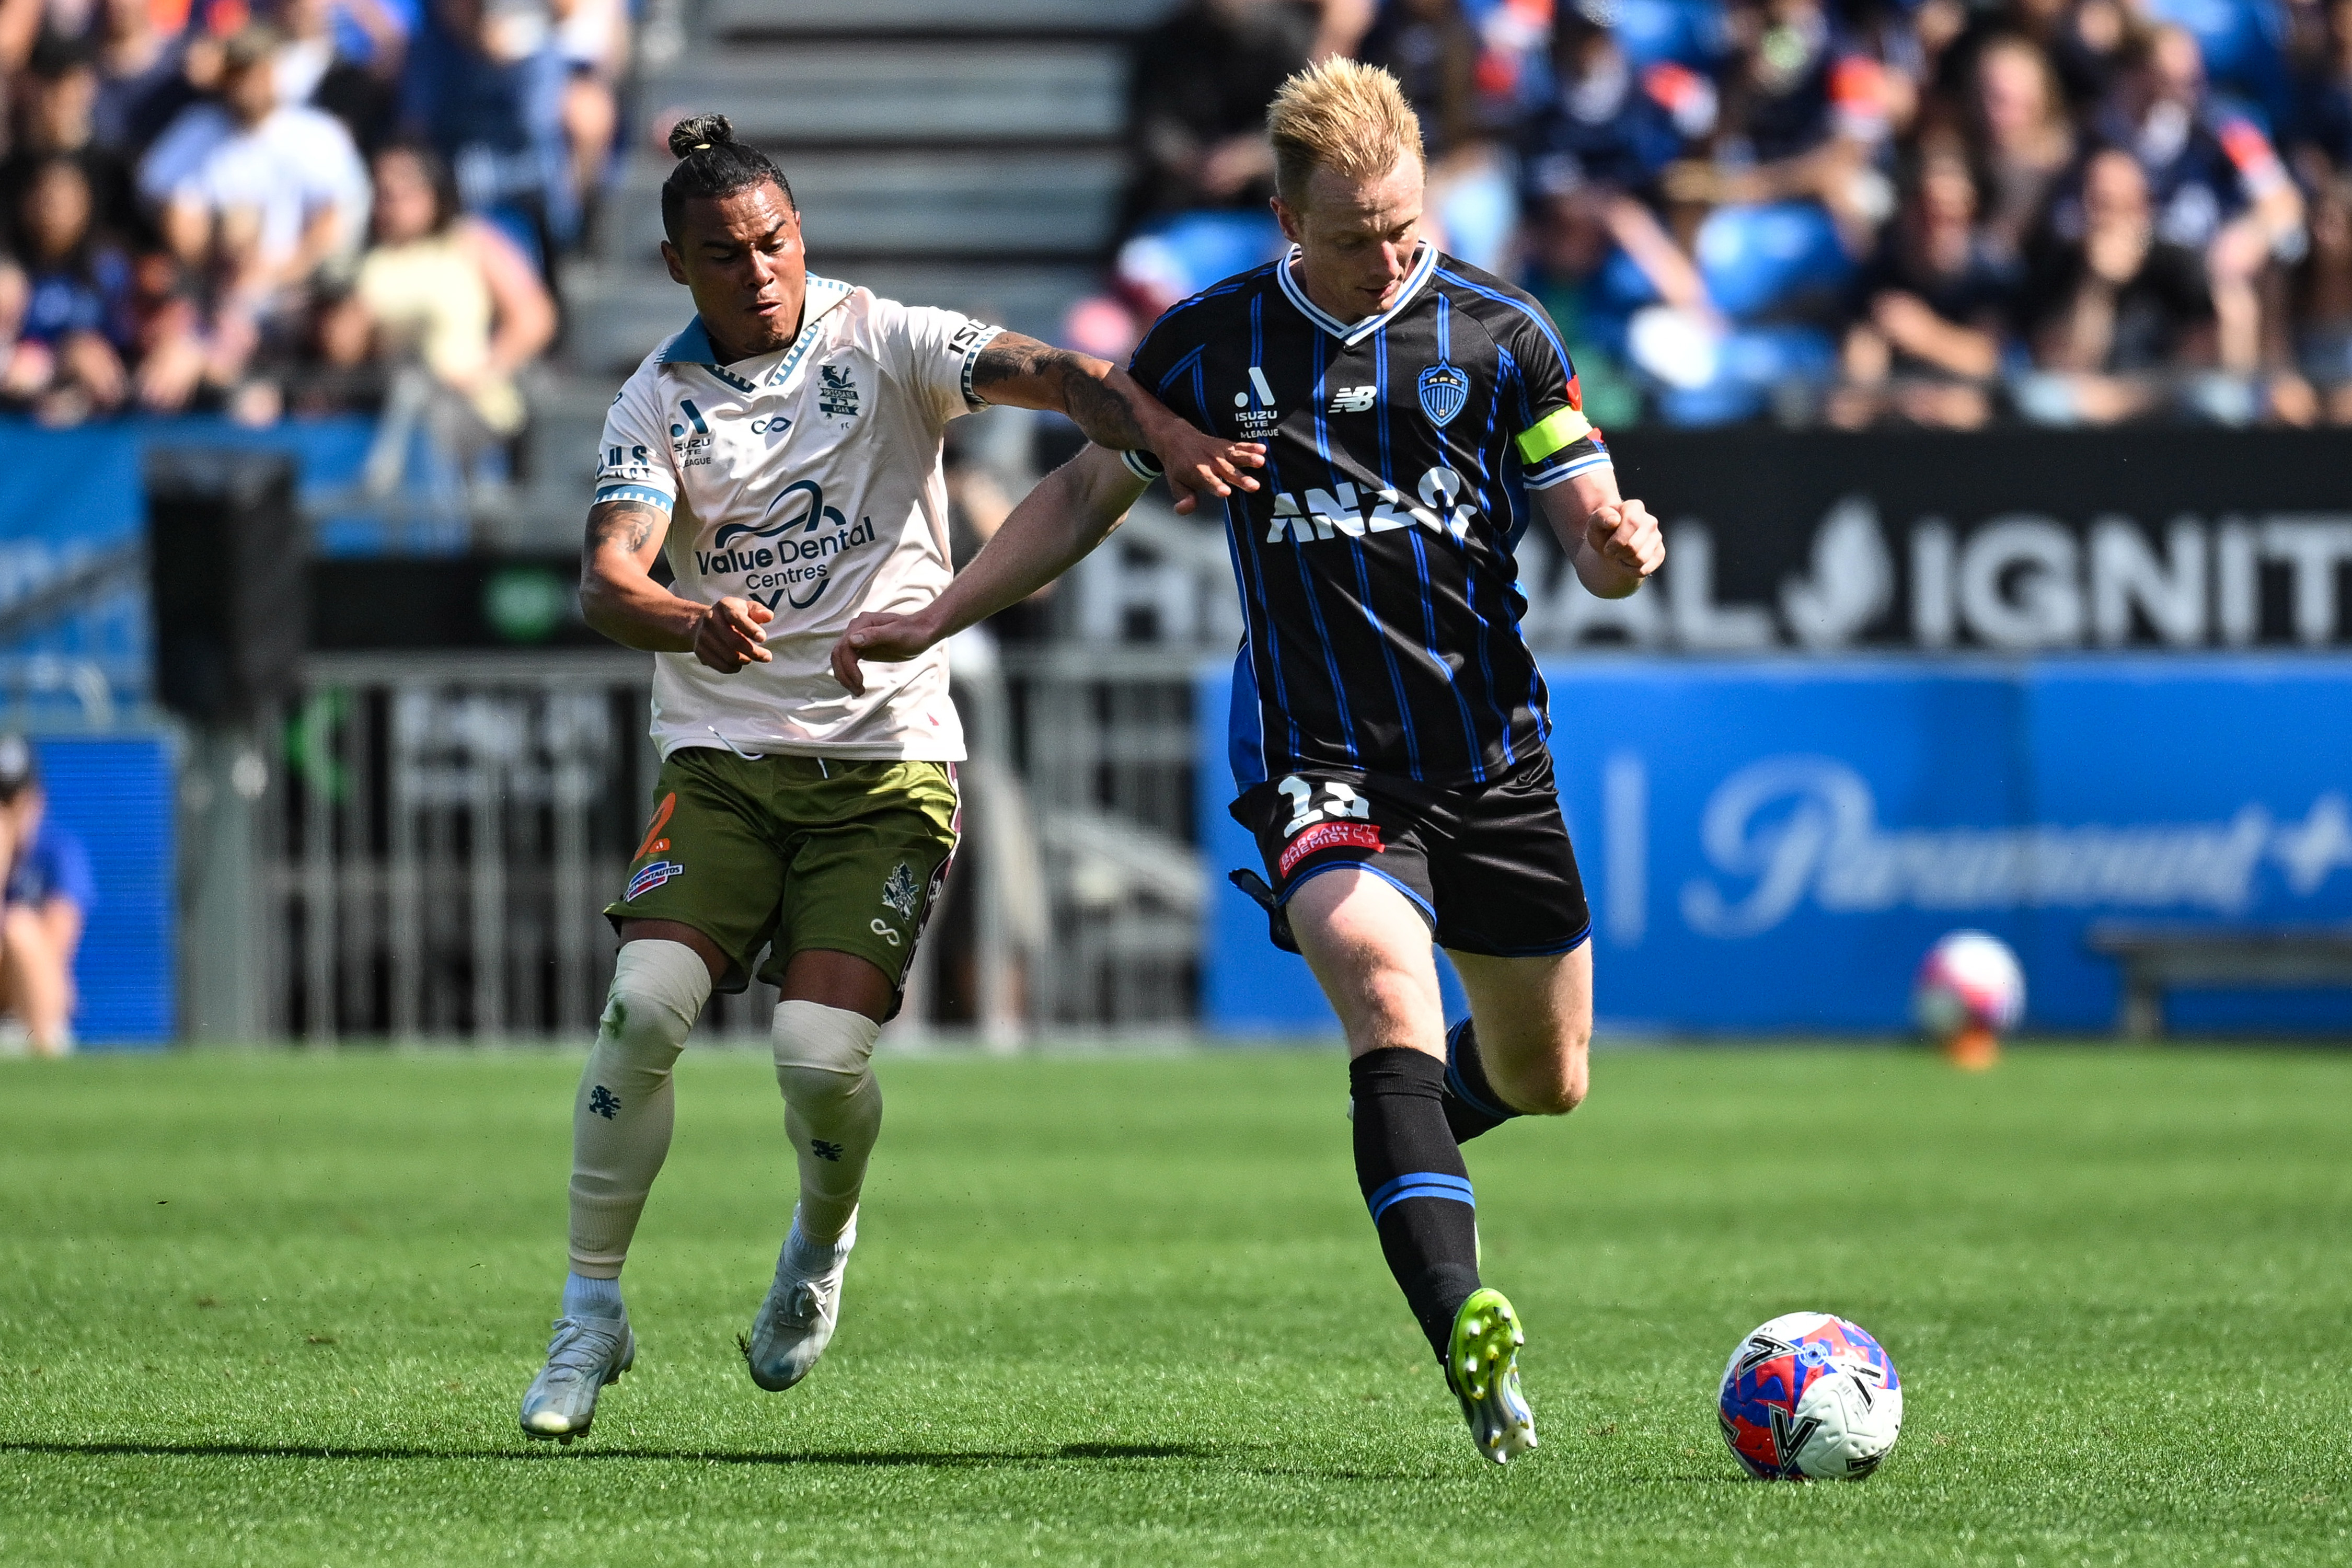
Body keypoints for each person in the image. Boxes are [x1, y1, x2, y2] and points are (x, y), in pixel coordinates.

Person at [832, 59, 1664, 1465]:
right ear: (1285, 220)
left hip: (1492, 754)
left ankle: (1407, 1142)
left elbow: (1583, 508)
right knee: (1384, 987)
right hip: (1316, 753)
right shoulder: (1210, 348)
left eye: (1409, 225)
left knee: (1544, 1076)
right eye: (1355, 236)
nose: (1391, 255)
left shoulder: (1502, 336)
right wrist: (937, 611)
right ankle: (1469, 1336)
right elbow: (1082, 491)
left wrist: (1615, 551)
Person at [514, 113, 1262, 1444]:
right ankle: (589, 1312)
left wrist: (1144, 424)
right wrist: (692, 621)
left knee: (814, 1057)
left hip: (887, 766)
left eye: (774, 241)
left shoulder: (884, 339)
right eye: (723, 253)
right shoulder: (654, 402)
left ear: (801, 234)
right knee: (641, 1010)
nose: (757, 271)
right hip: (726, 760)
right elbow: (605, 580)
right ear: (676, 265)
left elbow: (1053, 373)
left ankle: (819, 1236)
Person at [0, 735, 93, 1057]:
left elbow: (53, 951)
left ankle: (44, 1052)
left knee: (19, 928)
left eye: (14, 801)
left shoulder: (58, 854)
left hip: (29, 1013)